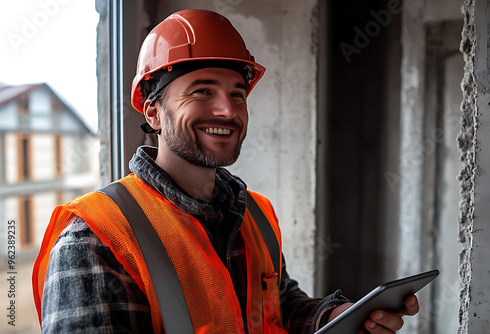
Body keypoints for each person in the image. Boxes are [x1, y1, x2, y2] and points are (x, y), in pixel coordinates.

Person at [32, 9, 419, 334]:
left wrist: (332, 318)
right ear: (153, 113)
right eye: (202, 91)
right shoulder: (97, 238)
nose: (229, 111)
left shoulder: (254, 214)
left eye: (237, 93)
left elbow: (278, 306)